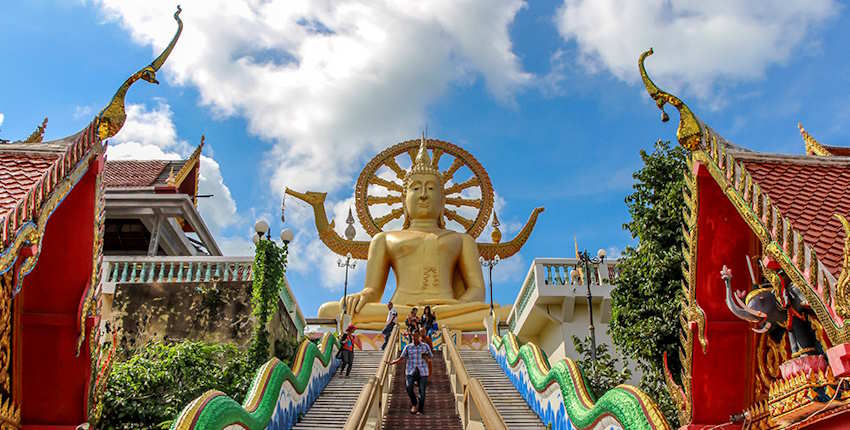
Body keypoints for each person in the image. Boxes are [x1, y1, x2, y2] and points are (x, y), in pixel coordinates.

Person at [387, 330, 432, 415]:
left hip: (423, 371)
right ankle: (414, 403)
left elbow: (430, 357)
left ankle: (420, 409)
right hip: (410, 370)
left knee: (422, 391)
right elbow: (401, 358)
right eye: (413, 336)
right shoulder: (408, 347)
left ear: (419, 336)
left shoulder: (425, 346)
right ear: (411, 337)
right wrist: (392, 362)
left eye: (416, 336)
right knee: (408, 387)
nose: (414, 338)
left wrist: (427, 357)